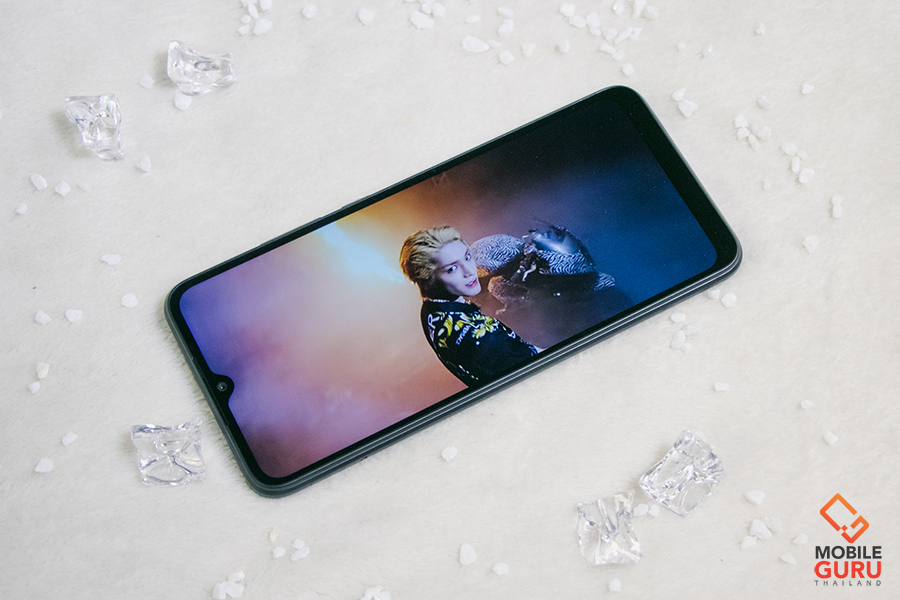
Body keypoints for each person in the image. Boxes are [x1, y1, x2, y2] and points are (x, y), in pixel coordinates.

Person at [399, 226, 538, 387]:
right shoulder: (482, 341)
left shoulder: (431, 308)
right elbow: (532, 377)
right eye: (452, 269)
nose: (470, 271)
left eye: (467, 257)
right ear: (427, 280)